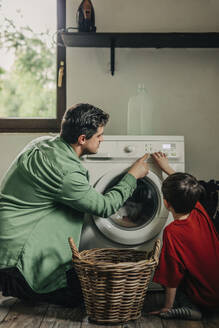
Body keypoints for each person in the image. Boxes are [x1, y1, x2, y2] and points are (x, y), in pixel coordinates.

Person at [0, 103, 149, 307]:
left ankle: (23, 287)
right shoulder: (66, 172)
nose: (102, 139)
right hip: (18, 263)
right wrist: (133, 175)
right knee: (91, 296)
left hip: (6, 246)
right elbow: (104, 207)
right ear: (82, 139)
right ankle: (24, 288)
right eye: (99, 136)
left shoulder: (42, 143)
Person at [149, 152, 219, 320]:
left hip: (204, 299)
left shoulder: (173, 231)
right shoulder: (199, 210)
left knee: (176, 282)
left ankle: (190, 307)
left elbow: (171, 275)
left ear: (165, 203)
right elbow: (186, 189)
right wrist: (166, 167)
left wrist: (167, 307)